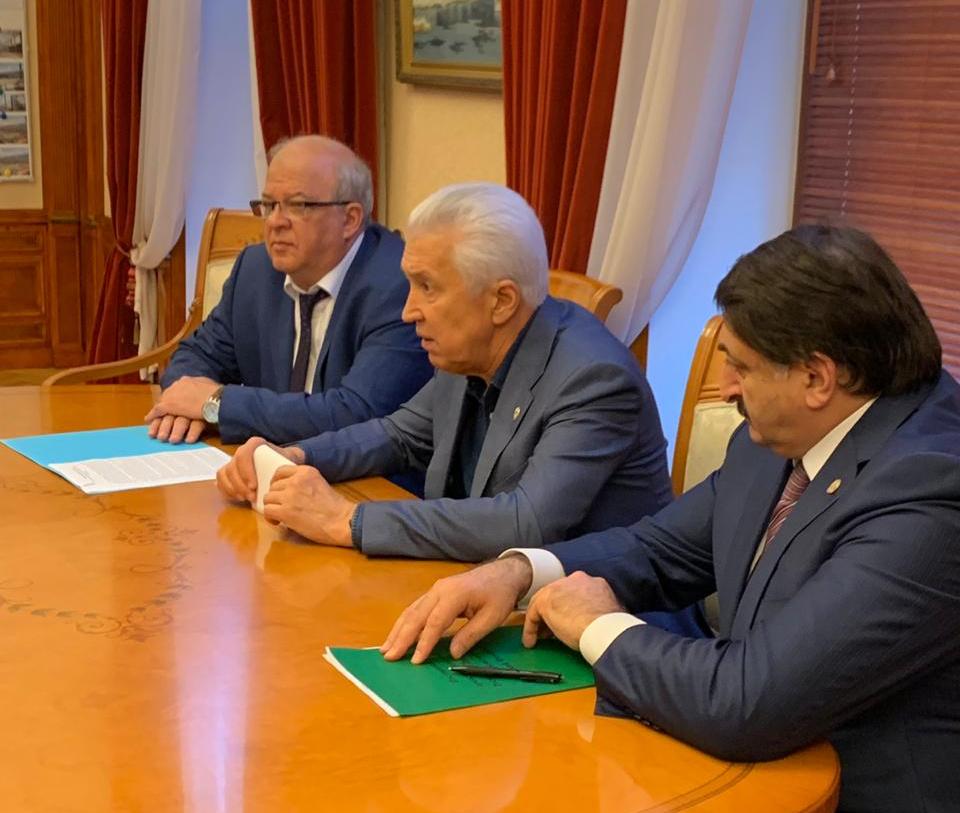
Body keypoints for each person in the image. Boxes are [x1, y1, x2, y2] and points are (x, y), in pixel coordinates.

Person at [380, 225, 960, 813]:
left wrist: (597, 626)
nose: (725, 390)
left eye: (743, 368)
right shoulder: (780, 436)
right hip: (746, 761)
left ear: (816, 378)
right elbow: (661, 550)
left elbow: (749, 702)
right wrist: (519, 573)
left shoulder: (931, 490)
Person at [216, 182, 680, 566]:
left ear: (501, 301)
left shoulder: (594, 379)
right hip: (482, 592)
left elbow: (526, 522)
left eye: (427, 288)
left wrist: (347, 520)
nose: (408, 311)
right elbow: (398, 436)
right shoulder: (470, 350)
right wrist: (293, 457)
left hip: (605, 625)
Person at [145, 135, 432, 445]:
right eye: (269, 205)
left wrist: (217, 405)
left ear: (350, 220)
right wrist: (188, 405)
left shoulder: (398, 285)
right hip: (264, 458)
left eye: (298, 206)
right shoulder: (255, 270)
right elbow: (194, 358)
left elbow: (357, 414)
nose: (275, 222)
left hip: (361, 470)